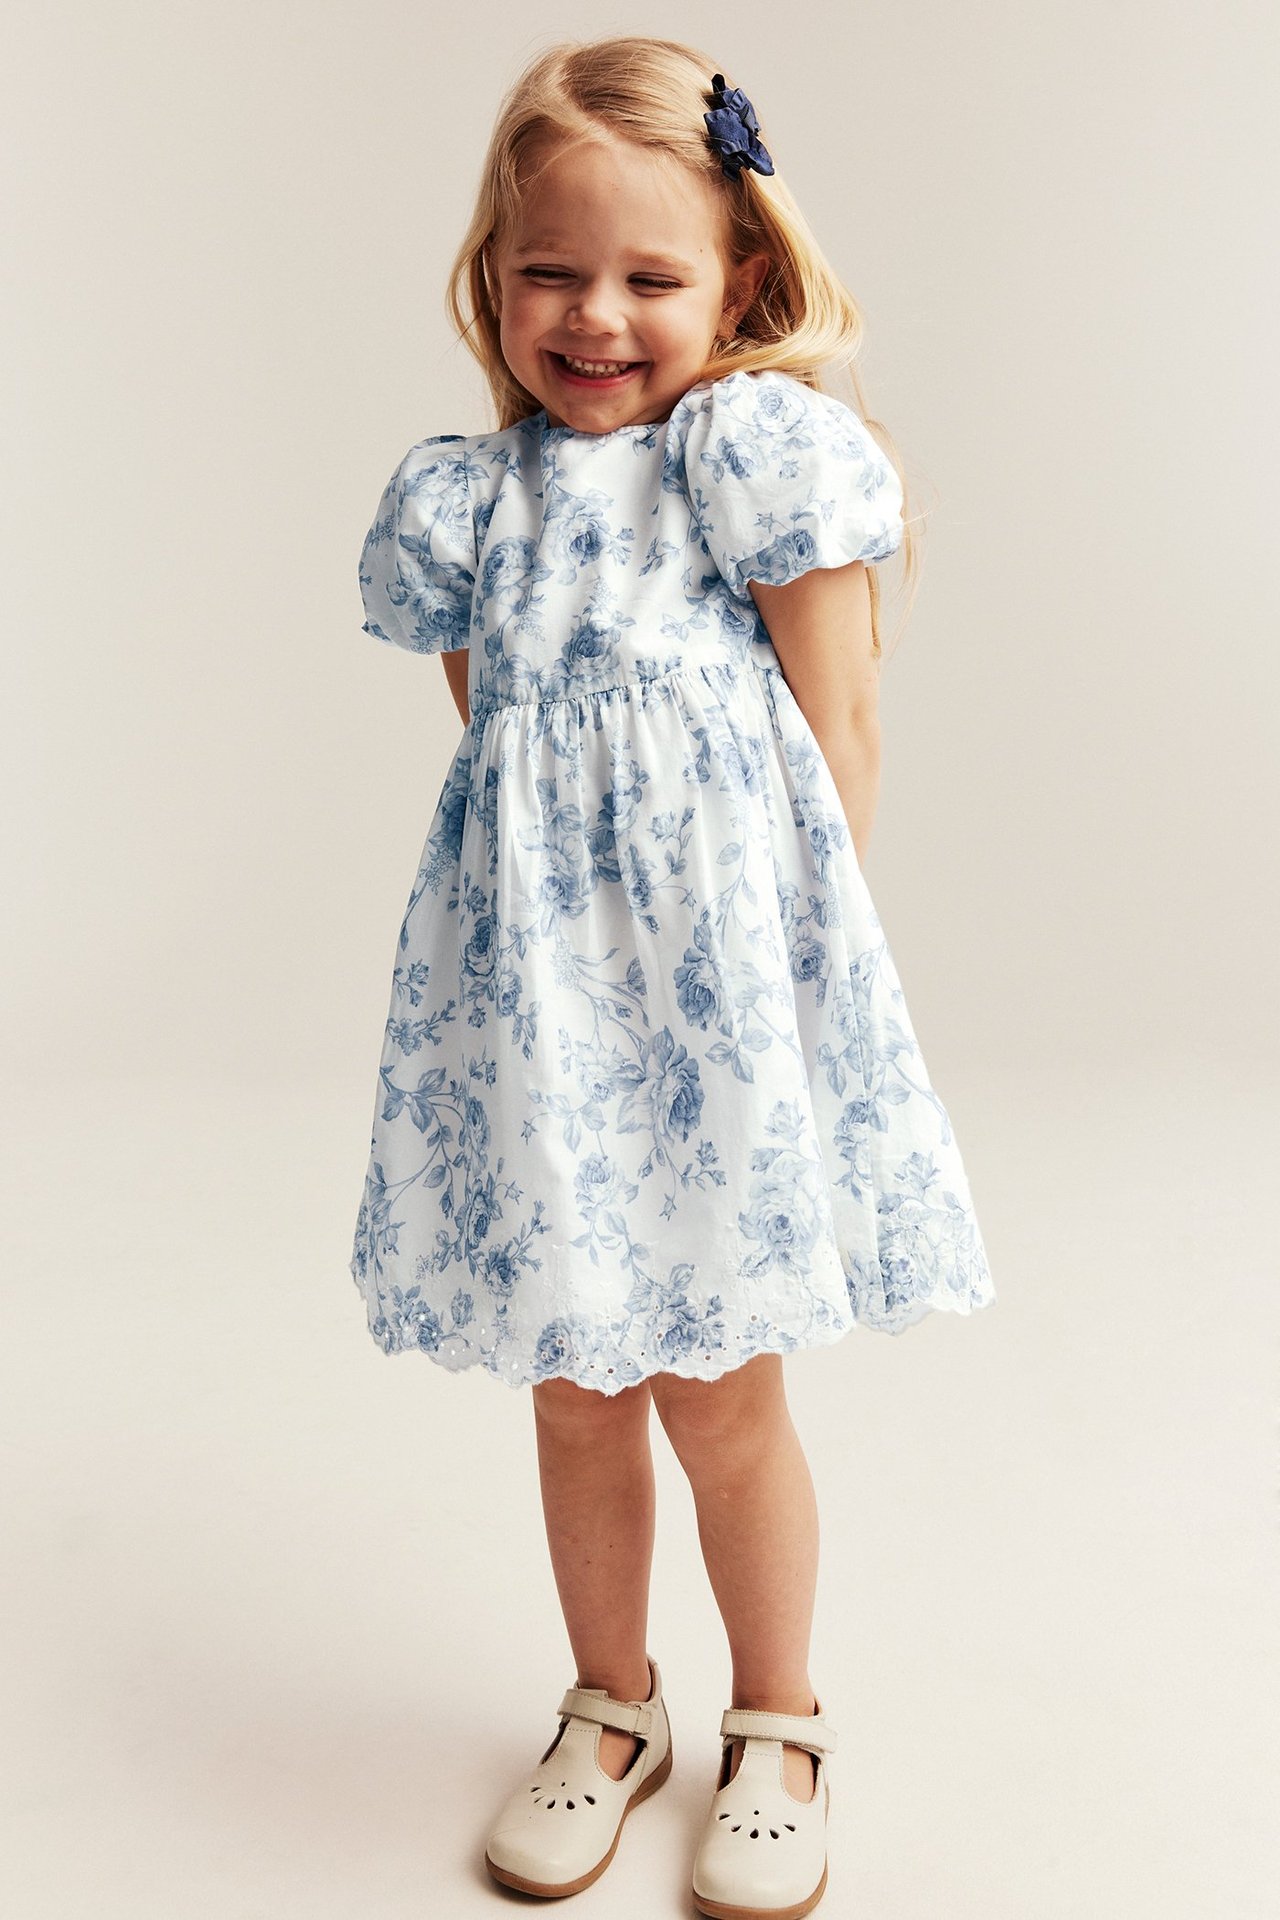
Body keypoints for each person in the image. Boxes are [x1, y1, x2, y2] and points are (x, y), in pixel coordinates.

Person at [348, 35, 996, 1919]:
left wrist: (794, 1001)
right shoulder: (467, 502)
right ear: (497, 276)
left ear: (742, 283)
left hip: (720, 1029)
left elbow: (839, 732)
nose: (599, 316)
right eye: (556, 270)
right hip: (544, 1027)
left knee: (720, 1387)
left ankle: (777, 1718)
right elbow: (506, 773)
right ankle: (611, 1704)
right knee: (574, 1385)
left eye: (652, 276)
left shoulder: (754, 451)